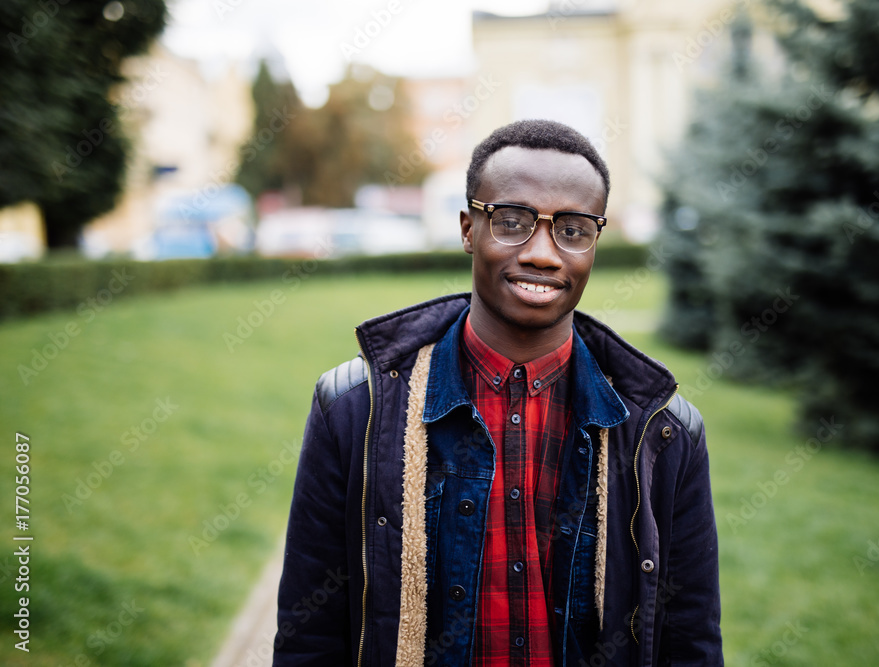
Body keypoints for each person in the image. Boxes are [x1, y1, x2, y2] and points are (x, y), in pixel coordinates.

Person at [272, 119, 723, 666]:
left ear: (595, 244)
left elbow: (689, 640)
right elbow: (310, 636)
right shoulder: (355, 409)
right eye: (512, 222)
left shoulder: (664, 432)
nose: (542, 253)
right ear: (468, 229)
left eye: (573, 230)